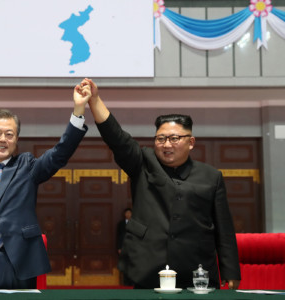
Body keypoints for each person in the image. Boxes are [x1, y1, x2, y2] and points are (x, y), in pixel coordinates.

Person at [80, 78, 241, 289]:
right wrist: (95, 100)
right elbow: (116, 137)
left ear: (190, 142)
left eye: (174, 138)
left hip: (196, 268)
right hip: (148, 266)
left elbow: (224, 229)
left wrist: (230, 271)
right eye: (160, 138)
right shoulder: (142, 163)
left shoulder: (211, 176)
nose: (166, 145)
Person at [0, 83, 91, 290]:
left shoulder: (27, 166)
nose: (3, 139)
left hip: (19, 263)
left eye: (9, 134)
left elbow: (60, 153)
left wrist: (78, 110)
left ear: (16, 139)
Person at [116, 208, 133, 286]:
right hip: (123, 247)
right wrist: (119, 247)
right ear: (124, 214)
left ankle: (132, 282)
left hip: (133, 248)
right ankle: (125, 283)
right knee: (125, 265)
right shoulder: (121, 224)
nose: (128, 214)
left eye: (130, 213)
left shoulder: (135, 223)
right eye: (127, 213)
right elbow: (118, 236)